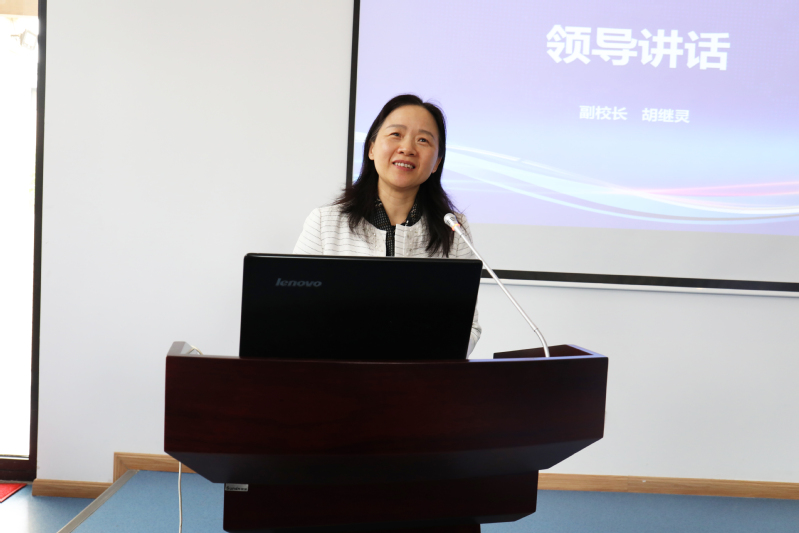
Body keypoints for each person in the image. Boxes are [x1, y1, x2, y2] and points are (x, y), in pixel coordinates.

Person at [293, 94, 481, 355]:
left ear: (437, 163)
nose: (407, 148)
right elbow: (294, 314)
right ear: (371, 148)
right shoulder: (325, 223)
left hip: (422, 376)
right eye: (396, 134)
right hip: (339, 372)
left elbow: (468, 327)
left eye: (423, 140)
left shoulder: (454, 229)